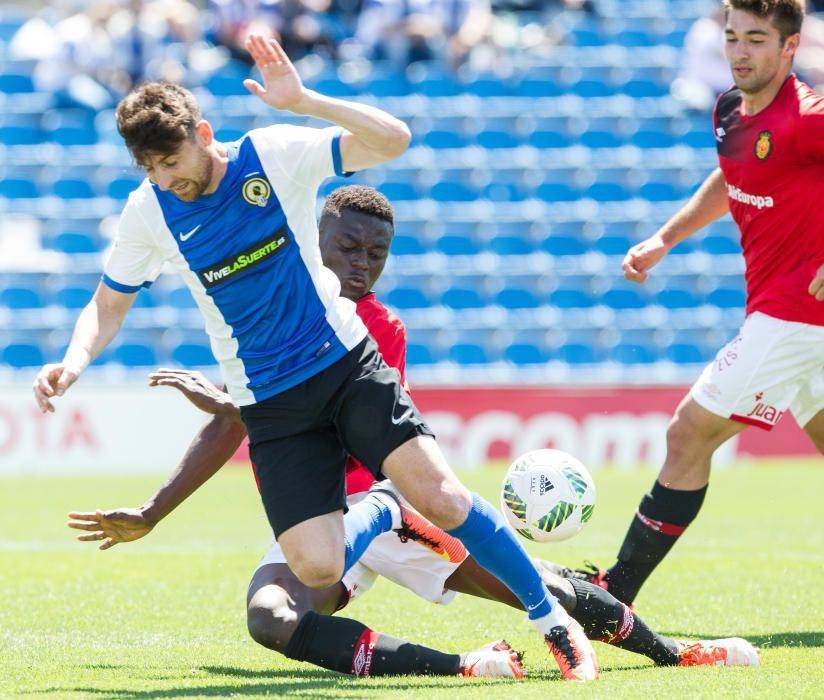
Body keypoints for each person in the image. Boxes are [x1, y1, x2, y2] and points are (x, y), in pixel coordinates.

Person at [33, 34, 599, 680]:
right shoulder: (150, 212)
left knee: (442, 497)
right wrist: (73, 362)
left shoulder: (268, 156)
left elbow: (394, 140)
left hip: (344, 365)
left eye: (173, 161)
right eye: (152, 169)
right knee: (318, 566)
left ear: (203, 132)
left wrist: (304, 100)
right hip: (271, 404)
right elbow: (107, 306)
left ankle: (553, 620)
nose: (169, 180)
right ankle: (383, 507)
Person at [68, 186, 760, 676]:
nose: (362, 262)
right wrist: (155, 510)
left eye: (376, 253)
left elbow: (324, 425)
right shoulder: (272, 315)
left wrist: (226, 402)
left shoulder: (376, 328)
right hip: (318, 523)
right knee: (271, 619)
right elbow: (235, 429)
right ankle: (471, 666)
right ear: (316, 244)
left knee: (542, 588)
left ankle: (679, 653)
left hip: (384, 513)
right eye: (348, 247)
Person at [573, 0, 824, 607]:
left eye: (757, 40)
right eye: (732, 37)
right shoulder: (730, 111)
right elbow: (731, 175)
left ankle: (614, 595)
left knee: (688, 434)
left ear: (789, 48)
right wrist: (664, 238)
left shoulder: (809, 117)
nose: (740, 52)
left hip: (796, 315)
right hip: (785, 311)